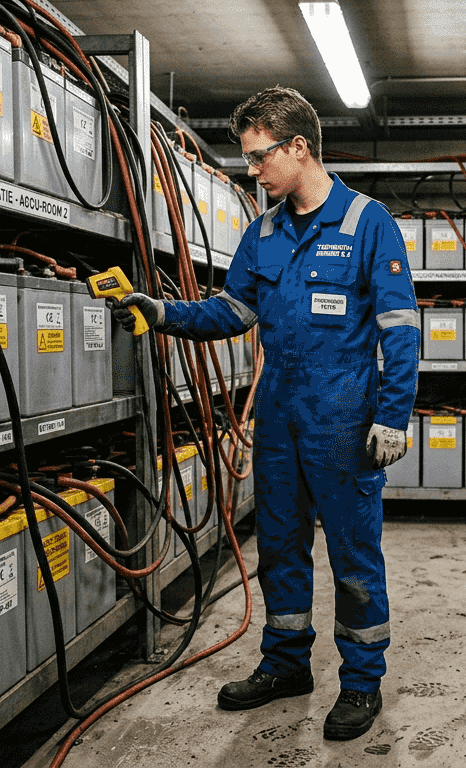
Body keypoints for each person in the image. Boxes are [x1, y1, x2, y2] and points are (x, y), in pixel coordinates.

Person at [111, 86, 419, 741]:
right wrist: (163, 313)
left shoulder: (368, 223)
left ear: (297, 146)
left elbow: (400, 327)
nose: (252, 171)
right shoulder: (265, 232)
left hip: (343, 423)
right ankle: (286, 664)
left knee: (354, 556)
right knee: (279, 547)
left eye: (258, 158)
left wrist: (394, 416)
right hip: (279, 422)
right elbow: (233, 311)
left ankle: (362, 683)